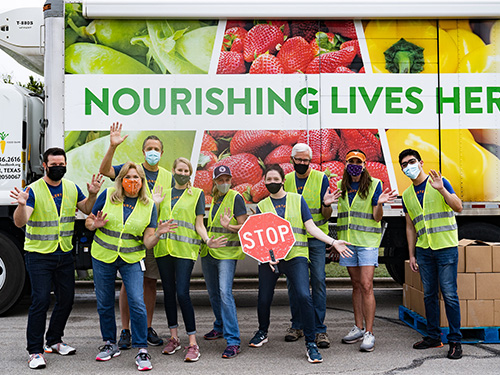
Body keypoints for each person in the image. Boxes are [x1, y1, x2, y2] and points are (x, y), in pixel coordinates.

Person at [248, 164, 353, 364]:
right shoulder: (262, 205)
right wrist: (266, 256)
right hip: (271, 259)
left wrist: (332, 242)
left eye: (275, 179)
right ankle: (262, 331)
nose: (272, 182)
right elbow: (261, 237)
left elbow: (311, 227)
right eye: (268, 180)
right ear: (265, 182)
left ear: (282, 180)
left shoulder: (297, 200)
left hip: (296, 255)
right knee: (263, 297)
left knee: (305, 296)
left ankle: (311, 343)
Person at [10, 147, 103, 370]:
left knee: (67, 300)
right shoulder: (33, 190)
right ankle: (35, 351)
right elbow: (19, 222)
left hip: (64, 253)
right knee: (40, 301)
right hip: (39, 255)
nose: (58, 167)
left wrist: (92, 194)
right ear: (44, 165)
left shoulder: (71, 188)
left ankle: (54, 340)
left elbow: (86, 209)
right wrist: (22, 204)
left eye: (61, 164)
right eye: (53, 165)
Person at [86, 161, 177, 371]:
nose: (132, 181)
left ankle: (141, 349)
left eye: (136, 178)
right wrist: (95, 224)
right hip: (103, 255)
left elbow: (147, 242)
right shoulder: (108, 194)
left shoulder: (148, 206)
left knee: (137, 301)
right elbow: (88, 221)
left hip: (132, 259)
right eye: (128, 177)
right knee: (104, 301)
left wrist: (158, 234)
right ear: (121, 180)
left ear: (142, 181)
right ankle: (109, 343)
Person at [99, 122, 172, 349]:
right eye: (148, 148)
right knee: (127, 286)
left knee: (149, 283)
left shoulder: (168, 176)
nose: (152, 152)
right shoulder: (132, 171)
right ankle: (125, 330)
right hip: (129, 240)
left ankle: (146, 327)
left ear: (162, 153)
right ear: (143, 152)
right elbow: (105, 171)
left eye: (156, 149)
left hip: (154, 236)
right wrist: (112, 147)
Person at [154, 157, 227, 362]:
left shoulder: (196, 194)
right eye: (180, 170)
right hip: (163, 250)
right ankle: (174, 338)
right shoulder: (164, 194)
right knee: (168, 293)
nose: (183, 173)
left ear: (190, 173)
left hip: (185, 250)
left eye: (187, 171)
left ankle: (193, 343)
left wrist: (207, 240)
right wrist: (155, 204)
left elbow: (199, 224)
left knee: (182, 293)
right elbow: (154, 221)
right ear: (173, 170)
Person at [399, 148, 463, 360]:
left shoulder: (439, 182)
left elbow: (458, 207)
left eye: (412, 161)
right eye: (404, 164)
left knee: (449, 295)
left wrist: (442, 189)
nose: (409, 166)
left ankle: (455, 341)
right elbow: (410, 226)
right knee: (429, 295)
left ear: (421, 162)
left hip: (445, 247)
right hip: (424, 250)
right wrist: (412, 254)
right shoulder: (407, 195)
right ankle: (434, 336)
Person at [337, 150, 397, 352]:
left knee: (366, 285)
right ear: (345, 164)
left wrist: (379, 204)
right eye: (351, 161)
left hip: (367, 242)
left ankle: (370, 332)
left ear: (364, 165)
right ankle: (358, 327)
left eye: (358, 162)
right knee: (355, 285)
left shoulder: (374, 184)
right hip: (348, 243)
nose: (354, 165)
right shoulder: (341, 186)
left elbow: (377, 218)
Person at [283, 143, 340, 348]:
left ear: (310, 161)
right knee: (295, 285)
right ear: (292, 160)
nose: (302, 163)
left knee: (318, 281)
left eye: (306, 160)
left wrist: (327, 205)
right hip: (294, 241)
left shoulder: (320, 178)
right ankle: (297, 325)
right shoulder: (287, 180)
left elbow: (326, 216)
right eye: (298, 160)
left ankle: (319, 330)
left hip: (316, 240)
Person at [200, 165, 248, 359]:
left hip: (227, 254)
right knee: (213, 293)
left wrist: (230, 226)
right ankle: (219, 326)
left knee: (224, 293)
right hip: (210, 252)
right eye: (220, 180)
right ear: (214, 181)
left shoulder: (235, 197)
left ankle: (233, 340)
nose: (224, 183)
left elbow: (245, 225)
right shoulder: (215, 199)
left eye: (227, 179)